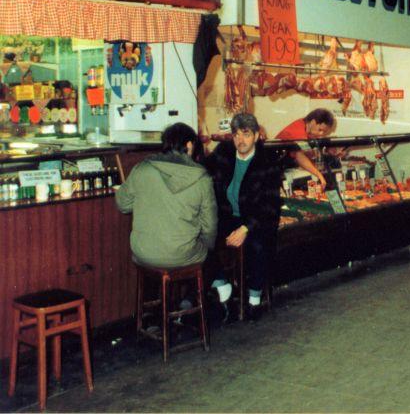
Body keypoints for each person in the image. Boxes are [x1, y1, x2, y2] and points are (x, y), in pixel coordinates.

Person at [205, 113, 291, 321]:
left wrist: (245, 228)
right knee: (201, 238)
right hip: (227, 217)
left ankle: (254, 300)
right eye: (236, 135)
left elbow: (269, 206)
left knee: (258, 244)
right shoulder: (224, 152)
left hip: (256, 219)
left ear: (257, 135)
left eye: (246, 134)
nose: (240, 140)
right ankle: (222, 285)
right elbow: (203, 170)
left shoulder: (267, 161)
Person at [115, 123, 217, 268]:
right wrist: (207, 247)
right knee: (209, 255)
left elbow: (122, 204)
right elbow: (210, 226)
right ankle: (210, 287)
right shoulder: (202, 178)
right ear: (189, 144)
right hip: (182, 255)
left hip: (143, 253)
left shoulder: (142, 168)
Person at [273, 108, 335, 186]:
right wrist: (319, 175)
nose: (321, 134)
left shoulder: (305, 127)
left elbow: (309, 152)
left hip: (283, 165)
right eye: (320, 130)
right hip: (272, 166)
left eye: (324, 132)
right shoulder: (298, 131)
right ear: (313, 122)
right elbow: (300, 156)